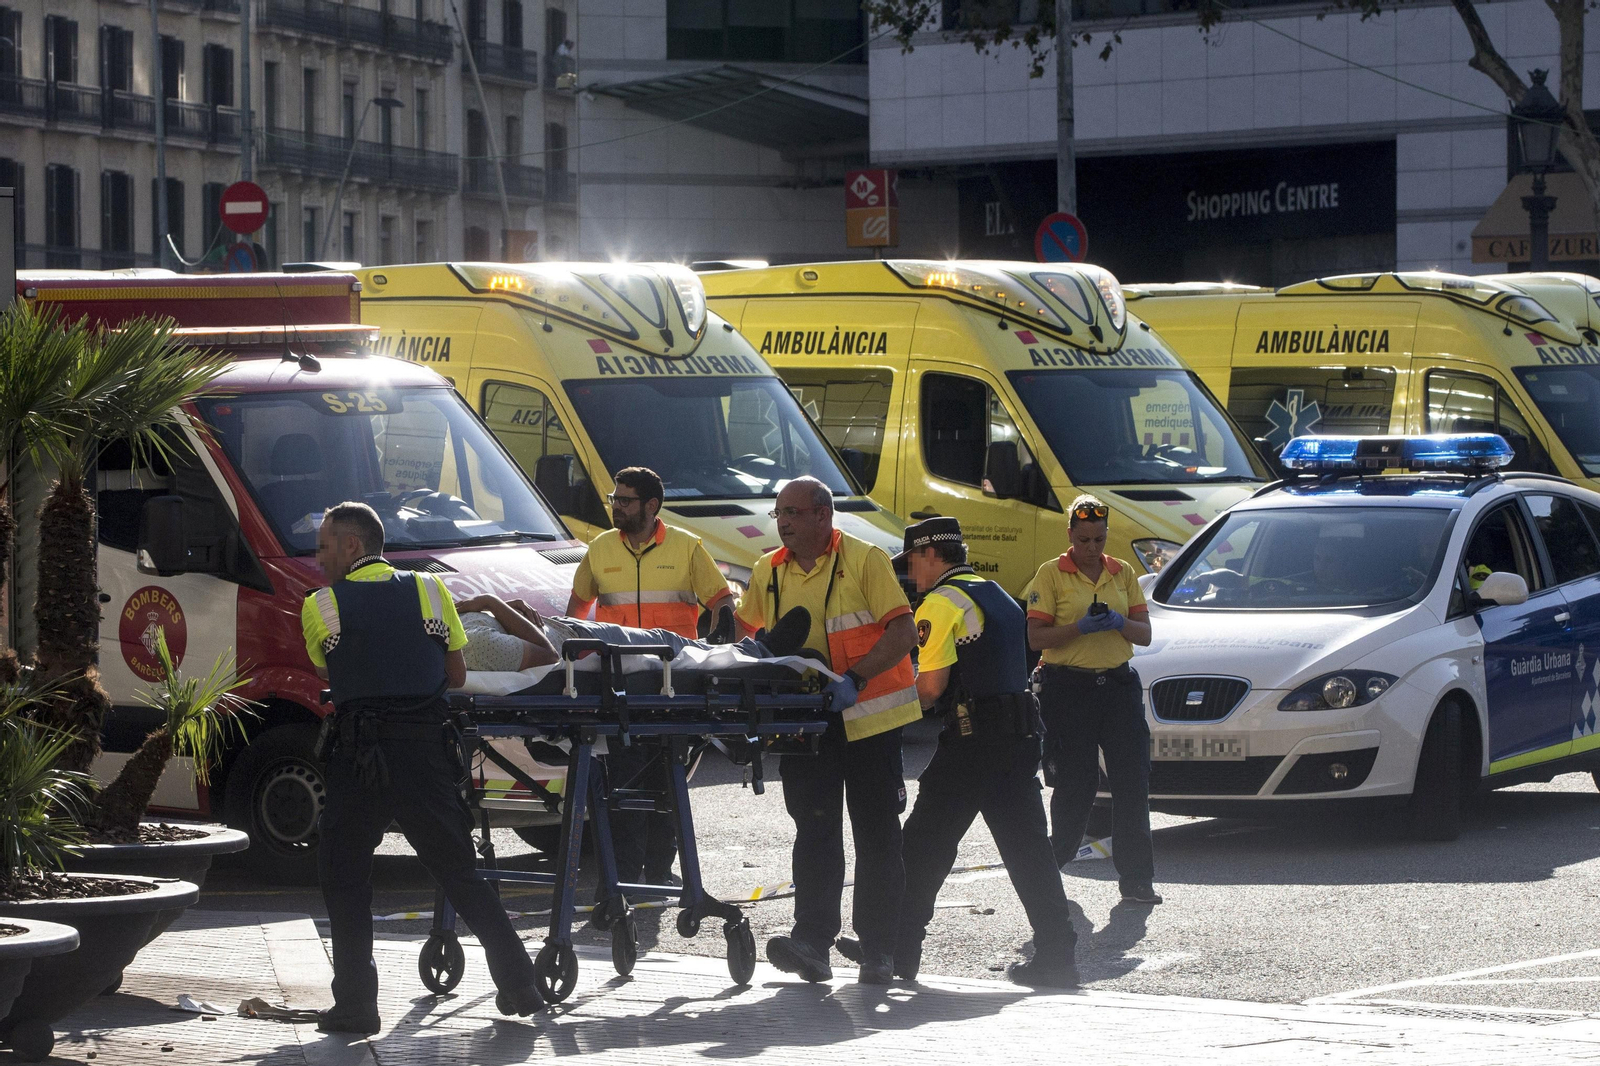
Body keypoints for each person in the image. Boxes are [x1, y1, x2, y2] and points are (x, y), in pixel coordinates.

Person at [301, 502, 543, 1036]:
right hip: (424, 751)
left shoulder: (321, 605)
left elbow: (333, 672)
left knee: (344, 875)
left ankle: (357, 1006)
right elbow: (454, 673)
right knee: (458, 870)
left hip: (360, 754)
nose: (318, 558)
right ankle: (520, 983)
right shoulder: (432, 591)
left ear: (352, 546)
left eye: (324, 545)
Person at [837, 518, 1079, 987]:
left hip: (973, 742)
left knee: (923, 844)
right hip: (1019, 736)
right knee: (1028, 851)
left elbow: (929, 690)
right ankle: (1057, 951)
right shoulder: (997, 593)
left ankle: (899, 947)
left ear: (930, 556)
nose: (909, 575)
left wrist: (876, 706)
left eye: (910, 564)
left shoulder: (942, 603)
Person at [736, 476, 920, 985]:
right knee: (814, 833)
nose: (784, 523)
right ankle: (812, 943)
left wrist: (855, 678)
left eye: (793, 512)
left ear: (823, 515)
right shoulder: (768, 570)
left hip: (871, 721)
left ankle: (880, 951)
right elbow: (747, 633)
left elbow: (902, 632)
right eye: (779, 514)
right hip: (806, 725)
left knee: (877, 837)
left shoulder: (865, 560)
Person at [566, 467, 734, 890]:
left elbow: (721, 602)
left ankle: (659, 871)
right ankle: (621, 877)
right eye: (614, 498)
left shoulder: (686, 547)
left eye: (624, 500)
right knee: (621, 779)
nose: (615, 506)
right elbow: (574, 614)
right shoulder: (600, 549)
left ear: (651, 506)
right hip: (619, 684)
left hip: (670, 684)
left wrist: (712, 652)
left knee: (668, 779)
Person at [1027, 494, 1161, 906]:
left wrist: (1120, 622)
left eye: (1099, 539)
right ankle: (1051, 868)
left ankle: (1137, 880)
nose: (1092, 549)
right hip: (1069, 689)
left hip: (1118, 687)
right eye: (1084, 540)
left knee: (1132, 783)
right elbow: (1035, 639)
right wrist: (1081, 628)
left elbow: (1145, 633)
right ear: (1070, 534)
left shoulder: (1121, 573)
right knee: (1075, 785)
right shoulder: (1049, 575)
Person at [452, 592, 812, 672]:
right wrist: (491, 602)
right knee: (668, 646)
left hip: (573, 631)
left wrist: (506, 609)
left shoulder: (447, 625)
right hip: (583, 647)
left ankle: (711, 645)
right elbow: (546, 656)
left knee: (666, 638)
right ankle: (760, 652)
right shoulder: (475, 648)